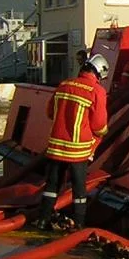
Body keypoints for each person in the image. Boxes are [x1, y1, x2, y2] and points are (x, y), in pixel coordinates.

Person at [35, 53, 110, 230]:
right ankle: (79, 224)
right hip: (78, 149)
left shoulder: (64, 84)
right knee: (79, 189)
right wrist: (101, 134)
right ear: (98, 73)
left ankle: (43, 219)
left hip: (56, 146)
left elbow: (50, 112)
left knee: (52, 184)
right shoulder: (97, 91)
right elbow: (99, 125)